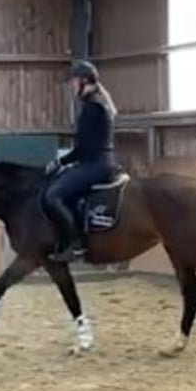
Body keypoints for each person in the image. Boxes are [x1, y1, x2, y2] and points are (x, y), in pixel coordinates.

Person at [43, 59, 118, 263]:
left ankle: (77, 244)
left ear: (85, 81)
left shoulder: (92, 107)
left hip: (95, 165)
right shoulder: (99, 103)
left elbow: (83, 149)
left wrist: (60, 162)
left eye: (73, 81)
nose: (71, 86)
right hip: (101, 161)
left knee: (53, 195)